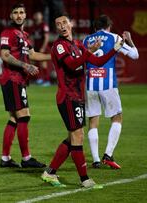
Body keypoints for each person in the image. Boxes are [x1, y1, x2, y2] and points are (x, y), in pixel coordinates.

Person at [41, 13, 124, 188]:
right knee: (77, 136)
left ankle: (49, 172)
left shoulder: (78, 45)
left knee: (72, 138)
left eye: (65, 22)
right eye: (58, 24)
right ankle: (85, 179)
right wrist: (88, 53)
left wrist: (115, 49)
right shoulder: (59, 46)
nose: (62, 26)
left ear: (71, 24)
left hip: (78, 97)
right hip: (67, 97)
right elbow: (72, 64)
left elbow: (98, 62)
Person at [0, 3, 51, 168]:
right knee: (24, 116)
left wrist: (54, 57)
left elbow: (33, 54)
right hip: (12, 79)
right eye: (15, 13)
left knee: (14, 118)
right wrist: (25, 66)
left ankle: (5, 158)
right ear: (11, 16)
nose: (19, 15)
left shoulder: (25, 35)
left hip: (19, 80)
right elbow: (5, 55)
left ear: (25, 15)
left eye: (22, 12)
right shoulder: (8, 33)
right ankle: (26, 158)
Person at [83, 14, 139, 169]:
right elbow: (135, 55)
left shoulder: (86, 40)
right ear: (109, 26)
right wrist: (128, 39)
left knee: (93, 121)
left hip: (90, 85)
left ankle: (95, 160)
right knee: (117, 118)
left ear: (95, 27)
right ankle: (107, 155)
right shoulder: (114, 38)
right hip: (108, 84)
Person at [30, 11, 51, 86]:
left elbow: (46, 38)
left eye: (39, 15)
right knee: (34, 63)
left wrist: (43, 47)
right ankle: (38, 79)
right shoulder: (33, 26)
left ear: (41, 16)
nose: (37, 16)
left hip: (42, 47)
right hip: (36, 47)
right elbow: (32, 38)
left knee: (43, 64)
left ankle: (47, 80)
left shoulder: (44, 25)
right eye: (36, 15)